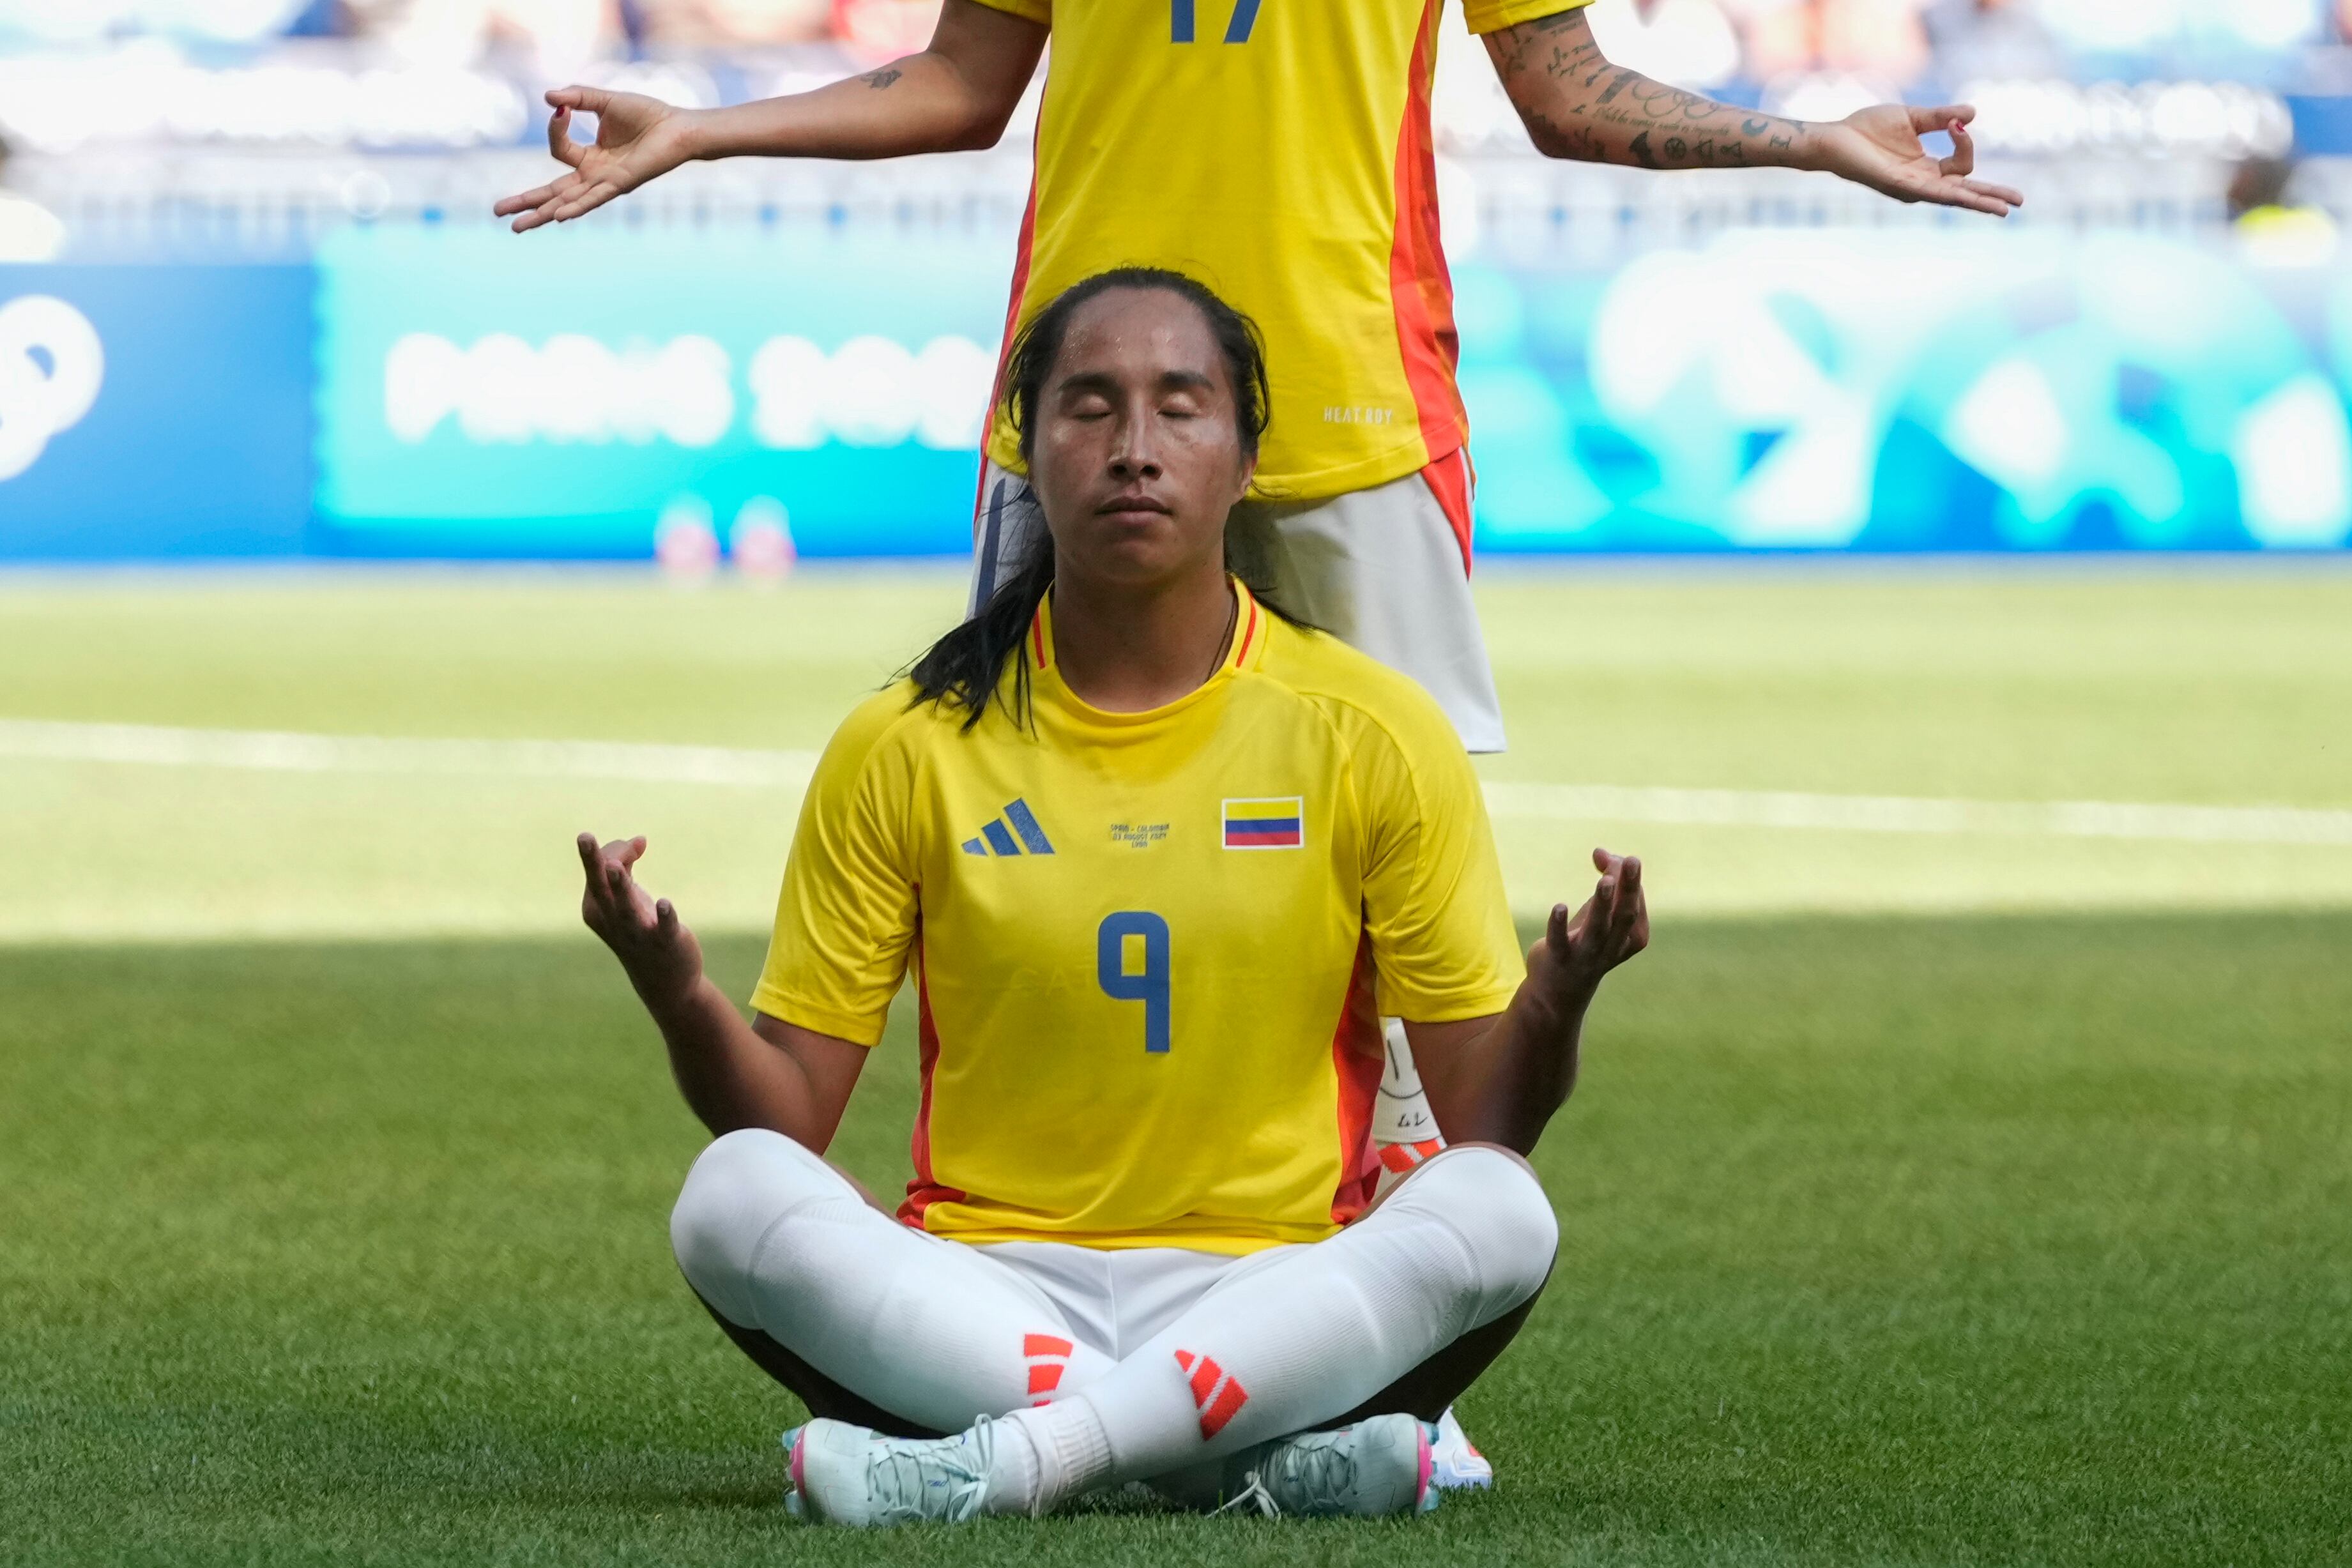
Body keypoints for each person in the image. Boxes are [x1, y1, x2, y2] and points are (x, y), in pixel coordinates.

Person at [502, 4, 2008, 1477]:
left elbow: (1565, 88)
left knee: (1420, 1009)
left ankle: (1086, 1422)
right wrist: (701, 129)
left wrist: (1814, 138)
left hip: (1357, 418)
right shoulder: (940, 666)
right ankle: (1259, 1414)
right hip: (1077, 406)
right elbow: (961, 80)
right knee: (1009, 822)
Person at [574, 270, 1650, 1523]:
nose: (1134, 449)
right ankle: (1228, 1460)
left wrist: (1558, 1002)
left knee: (1499, 1210)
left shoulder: (1371, 729)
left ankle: (1026, 1459)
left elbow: (1482, 1119)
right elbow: (785, 1118)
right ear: (1026, 450)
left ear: (1246, 455)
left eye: (1179, 407)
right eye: (1088, 408)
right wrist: (677, 993)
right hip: (981, 1302)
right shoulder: (908, 740)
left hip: (1270, 1294)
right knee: (732, 1192)